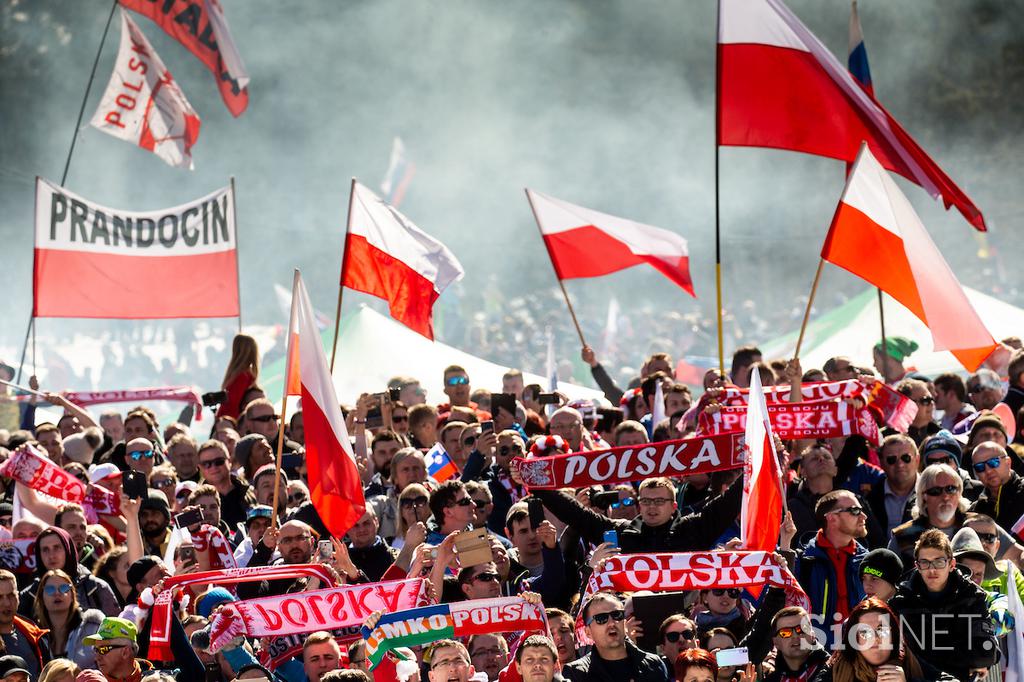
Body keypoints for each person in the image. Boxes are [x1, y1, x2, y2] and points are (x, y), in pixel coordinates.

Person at [888, 529, 997, 680]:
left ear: (951, 564)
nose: (932, 570)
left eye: (939, 562)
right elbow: (893, 655)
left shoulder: (972, 597)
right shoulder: (901, 601)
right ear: (917, 566)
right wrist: (960, 652)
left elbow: (985, 654)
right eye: (925, 562)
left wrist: (925, 651)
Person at [811, 597, 951, 682]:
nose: (875, 639)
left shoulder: (908, 658)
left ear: (893, 635)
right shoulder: (837, 666)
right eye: (865, 632)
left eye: (881, 630)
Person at [793, 490, 868, 643]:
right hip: (817, 653)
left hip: (861, 652)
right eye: (855, 511)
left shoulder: (868, 561)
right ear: (832, 517)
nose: (864, 516)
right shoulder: (804, 561)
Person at [562, 592, 669, 682]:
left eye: (617, 615)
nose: (611, 623)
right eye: (601, 618)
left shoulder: (653, 664)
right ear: (588, 632)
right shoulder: (576, 674)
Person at [32, 570, 103, 669]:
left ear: (72, 595)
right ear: (41, 596)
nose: (57, 593)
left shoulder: (94, 628)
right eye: (49, 589)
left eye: (64, 588)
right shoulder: (33, 636)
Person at [866, 435, 917, 537]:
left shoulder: (933, 491)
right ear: (881, 463)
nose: (900, 464)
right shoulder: (870, 499)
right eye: (891, 459)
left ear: (917, 459)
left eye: (906, 458)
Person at [0, 571, 47, 679]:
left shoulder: (35, 635)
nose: (6, 603)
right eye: (0, 597)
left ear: (18, 597)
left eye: (11, 595)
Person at [969, 440, 1024, 533]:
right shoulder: (975, 511)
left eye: (993, 462)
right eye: (980, 467)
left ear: (1008, 462)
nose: (988, 470)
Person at [82, 617, 153, 682]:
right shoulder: (90, 679)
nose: (97, 658)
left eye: (103, 649)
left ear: (125, 652)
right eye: (96, 650)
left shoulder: (157, 679)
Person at [216, 334, 260, 420]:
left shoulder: (242, 376)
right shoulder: (242, 375)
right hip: (229, 419)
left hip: (231, 420)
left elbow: (233, 403)